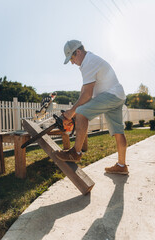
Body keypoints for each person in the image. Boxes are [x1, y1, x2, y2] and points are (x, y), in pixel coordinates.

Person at [54, 40, 128, 175]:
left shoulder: (89, 62)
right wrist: (71, 113)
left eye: (71, 58)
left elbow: (87, 95)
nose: (72, 62)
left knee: (81, 112)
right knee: (118, 131)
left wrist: (72, 113)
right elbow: (84, 91)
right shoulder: (88, 62)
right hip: (118, 95)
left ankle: (75, 153)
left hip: (111, 95)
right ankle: (122, 165)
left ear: (78, 52)